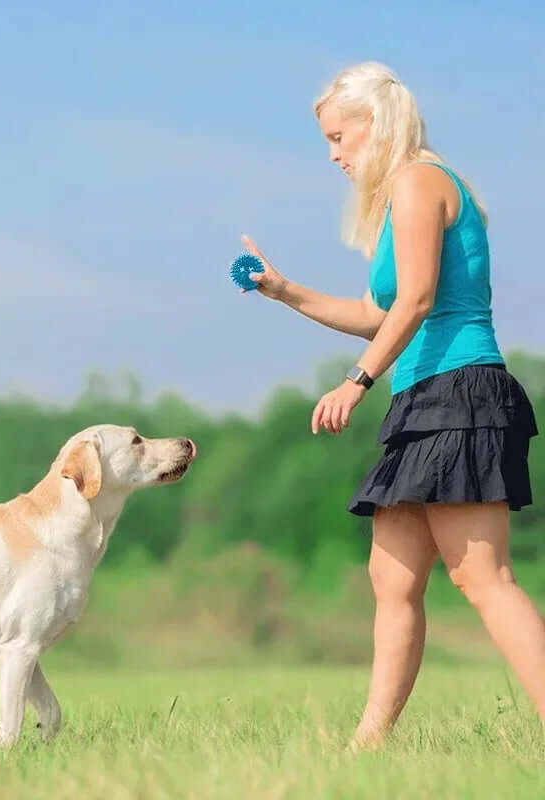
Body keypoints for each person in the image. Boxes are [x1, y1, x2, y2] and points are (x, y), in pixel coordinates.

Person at [241, 61, 541, 748]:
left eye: (339, 137)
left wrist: (357, 380)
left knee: (484, 578)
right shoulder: (397, 201)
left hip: (459, 391)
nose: (333, 155)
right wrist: (287, 292)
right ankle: (368, 746)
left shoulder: (418, 181)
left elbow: (419, 300)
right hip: (423, 397)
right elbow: (380, 310)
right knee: (393, 576)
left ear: (377, 126)